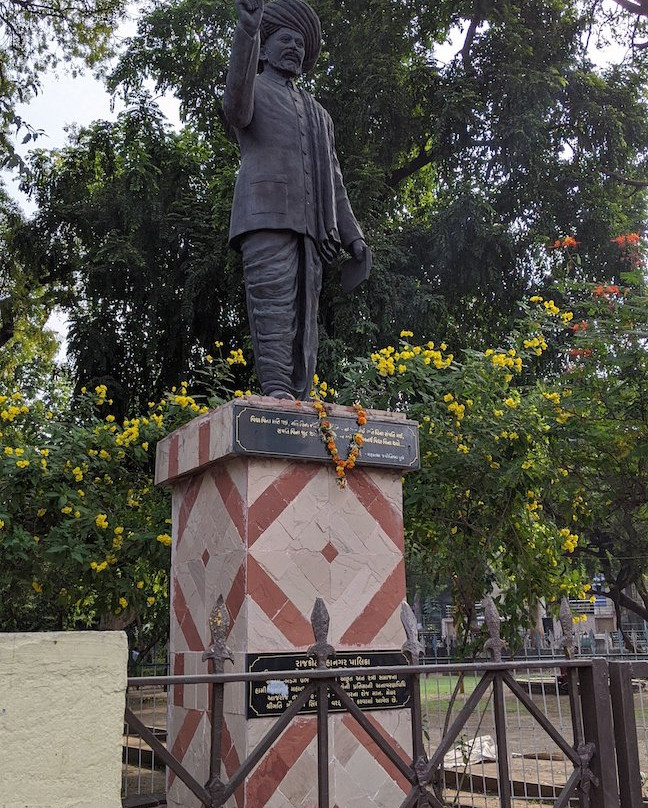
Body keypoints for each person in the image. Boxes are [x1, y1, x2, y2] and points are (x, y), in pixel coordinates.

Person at [224, 0, 369, 401]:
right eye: (285, 39)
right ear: (266, 48)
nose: (294, 48)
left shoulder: (320, 114)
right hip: (264, 216)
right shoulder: (253, 90)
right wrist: (248, 30)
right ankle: (275, 392)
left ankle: (296, 400)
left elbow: (335, 179)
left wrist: (353, 238)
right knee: (272, 307)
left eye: (301, 44)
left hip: (313, 227)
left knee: (306, 321)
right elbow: (235, 107)